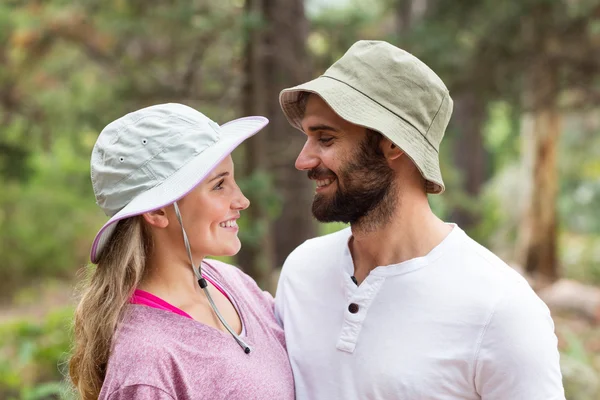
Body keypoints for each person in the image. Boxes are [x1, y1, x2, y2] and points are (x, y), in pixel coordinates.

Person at [275, 40, 565, 399]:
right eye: (307, 138)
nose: (303, 161)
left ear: (393, 144)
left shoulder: (501, 309)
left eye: (326, 139)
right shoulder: (301, 270)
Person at [69, 103, 294, 400]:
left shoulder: (233, 282)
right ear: (159, 211)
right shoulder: (146, 365)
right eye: (219, 185)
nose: (241, 200)